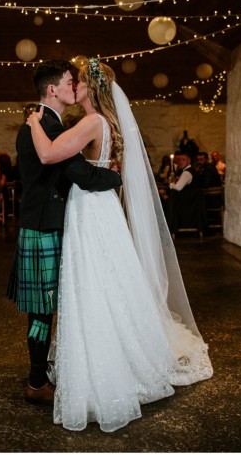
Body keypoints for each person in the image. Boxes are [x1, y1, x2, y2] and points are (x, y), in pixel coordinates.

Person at [26, 58, 213, 432]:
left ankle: (102, 366)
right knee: (112, 279)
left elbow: (48, 154)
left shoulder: (91, 122)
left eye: (78, 83)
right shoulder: (110, 124)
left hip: (88, 211)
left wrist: (33, 122)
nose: (74, 87)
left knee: (93, 283)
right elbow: (106, 172)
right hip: (104, 209)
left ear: (90, 90)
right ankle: (124, 351)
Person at [6, 59, 123, 408]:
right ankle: (37, 381)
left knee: (47, 307)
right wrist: (117, 176)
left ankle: (42, 373)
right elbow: (81, 175)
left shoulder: (44, 123)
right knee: (42, 310)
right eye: (70, 82)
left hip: (42, 223)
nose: (74, 86)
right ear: (53, 89)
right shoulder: (45, 126)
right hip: (44, 226)